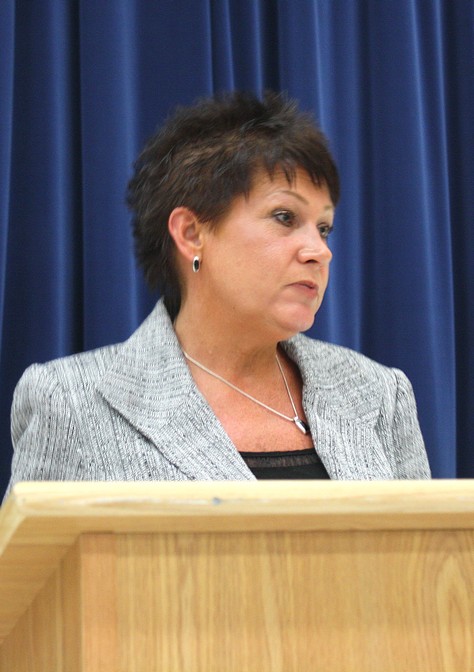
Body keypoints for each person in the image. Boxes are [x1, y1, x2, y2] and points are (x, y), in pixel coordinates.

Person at [6, 91, 430, 491]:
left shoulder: (379, 394)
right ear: (191, 234)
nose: (320, 251)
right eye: (284, 217)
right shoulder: (69, 402)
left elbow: (429, 547)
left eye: (324, 228)